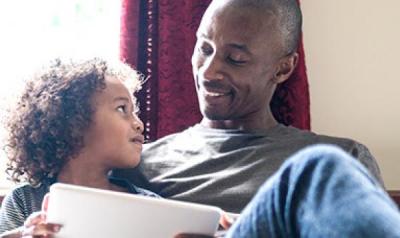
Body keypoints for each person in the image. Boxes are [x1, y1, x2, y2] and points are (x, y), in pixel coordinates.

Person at [114, 0, 384, 214]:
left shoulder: (341, 160)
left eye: (235, 59)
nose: (209, 72)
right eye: (205, 49)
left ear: (283, 68)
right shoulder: (137, 163)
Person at [0, 58, 159, 237]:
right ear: (75, 124)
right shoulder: (24, 200)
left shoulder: (150, 206)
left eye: (134, 112)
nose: (139, 124)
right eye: (122, 109)